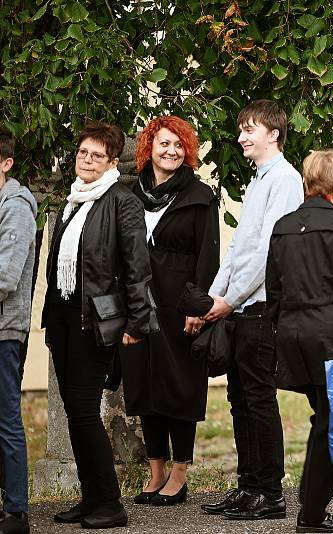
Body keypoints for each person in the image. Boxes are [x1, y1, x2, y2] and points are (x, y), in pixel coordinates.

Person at [43, 121, 153, 528]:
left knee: (86, 412)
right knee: (75, 412)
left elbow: (136, 267)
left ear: (110, 162)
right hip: (66, 320)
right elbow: (58, 270)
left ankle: (110, 503)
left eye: (96, 155)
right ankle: (91, 499)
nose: (87, 161)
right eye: (82, 153)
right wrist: (50, 324)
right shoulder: (73, 200)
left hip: (98, 322)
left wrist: (137, 322)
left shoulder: (122, 202)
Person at [199, 100, 303, 520]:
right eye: (242, 129)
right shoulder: (258, 180)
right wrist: (212, 298)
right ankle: (248, 487)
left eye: (250, 129)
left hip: (261, 310)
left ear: (273, 134)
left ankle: (271, 494)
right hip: (240, 307)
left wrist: (231, 299)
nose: (242, 137)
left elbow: (268, 254)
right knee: (240, 400)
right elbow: (239, 249)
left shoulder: (285, 180)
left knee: (260, 400)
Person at [267, 149, 333, 534]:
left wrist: (281, 332)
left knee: (323, 419)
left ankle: (311, 504)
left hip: (292, 336)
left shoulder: (283, 226)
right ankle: (311, 513)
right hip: (329, 338)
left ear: (308, 182)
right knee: (330, 423)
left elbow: (273, 290)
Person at [120, 116, 220, 506]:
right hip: (139, 303)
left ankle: (180, 472)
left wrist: (199, 306)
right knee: (143, 383)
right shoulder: (130, 194)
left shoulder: (199, 196)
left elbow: (208, 256)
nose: (171, 151)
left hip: (179, 304)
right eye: (164, 143)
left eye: (179, 145)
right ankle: (156, 470)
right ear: (150, 147)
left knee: (180, 385)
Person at [0, 128, 36, 534]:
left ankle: (17, 511)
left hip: (4, 330)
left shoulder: (16, 207)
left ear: (7, 163)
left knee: (7, 418)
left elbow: (6, 276)